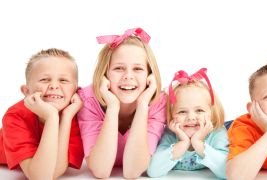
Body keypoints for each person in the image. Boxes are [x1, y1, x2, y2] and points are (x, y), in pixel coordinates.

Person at [77, 27, 166, 179]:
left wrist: (143, 105)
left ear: (149, 75)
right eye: (119, 68)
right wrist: (112, 107)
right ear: (105, 73)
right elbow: (101, 171)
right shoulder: (88, 100)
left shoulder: (157, 102)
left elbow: (132, 172)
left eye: (138, 68)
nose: (128, 76)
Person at [0, 48, 84, 179]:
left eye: (63, 80)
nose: (54, 86)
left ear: (76, 92)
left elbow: (54, 171)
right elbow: (39, 177)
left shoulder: (74, 115)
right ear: (27, 91)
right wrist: (52, 117)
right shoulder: (15, 116)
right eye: (44, 79)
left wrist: (66, 118)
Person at [147, 68, 229, 179]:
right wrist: (183, 142)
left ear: (212, 113)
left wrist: (198, 142)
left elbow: (228, 172)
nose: (190, 118)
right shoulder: (170, 133)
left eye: (199, 110)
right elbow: (153, 171)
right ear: (171, 116)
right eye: (182, 112)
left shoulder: (217, 132)